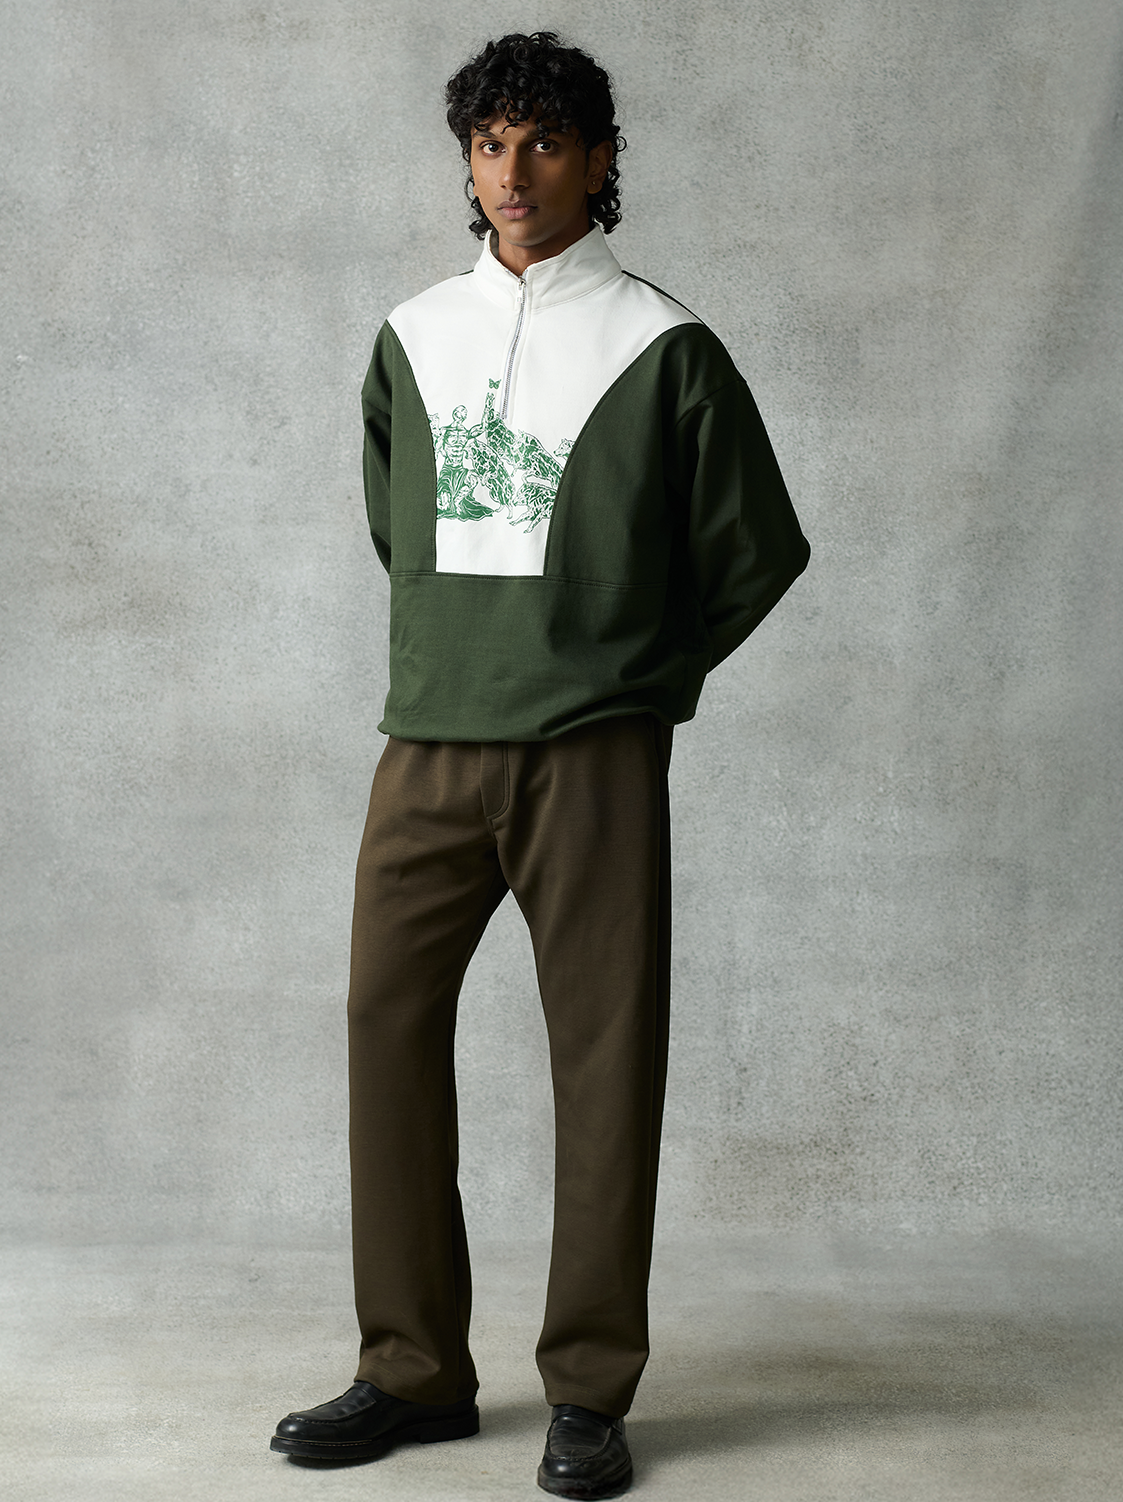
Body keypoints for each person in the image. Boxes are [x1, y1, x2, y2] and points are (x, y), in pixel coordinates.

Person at [270, 30, 809, 1500]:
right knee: (385, 1023)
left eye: (545, 143)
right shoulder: (411, 335)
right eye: (490, 143)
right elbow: (399, 525)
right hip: (429, 741)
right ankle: (411, 1371)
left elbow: (754, 550)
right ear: (467, 161)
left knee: (605, 1060)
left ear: (599, 161)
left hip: (591, 759)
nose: (514, 172)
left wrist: (636, 679)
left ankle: (587, 1388)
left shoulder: (662, 345)